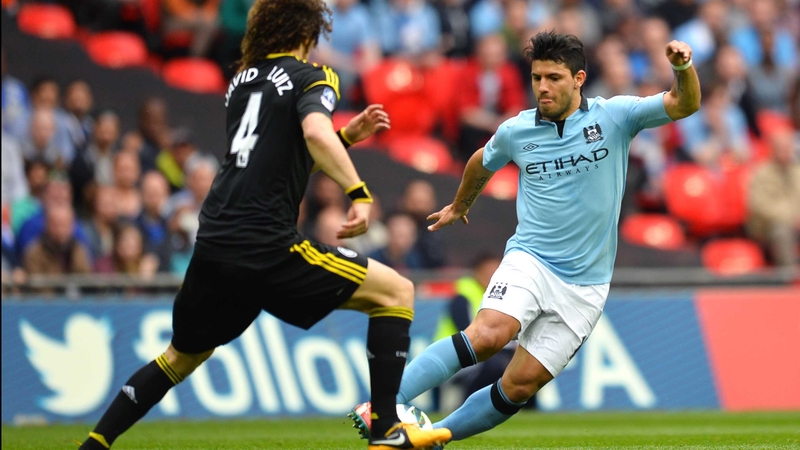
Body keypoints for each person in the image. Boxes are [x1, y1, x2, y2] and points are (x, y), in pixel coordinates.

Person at [76, 0, 451, 449]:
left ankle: (95, 444)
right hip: (266, 244)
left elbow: (278, 165)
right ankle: (387, 430)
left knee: (179, 358)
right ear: (309, 33)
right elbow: (313, 134)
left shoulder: (241, 82)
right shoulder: (313, 75)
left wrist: (347, 137)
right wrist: (358, 192)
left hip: (215, 240)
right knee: (396, 292)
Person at [350, 30, 700, 445]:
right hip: (531, 260)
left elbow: (684, 103)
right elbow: (481, 161)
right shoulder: (517, 130)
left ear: (579, 79)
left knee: (519, 385)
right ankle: (384, 406)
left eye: (553, 77)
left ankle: (430, 437)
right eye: (537, 78)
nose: (543, 87)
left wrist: (682, 67)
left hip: (586, 286)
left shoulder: (615, 116)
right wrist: (462, 205)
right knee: (488, 335)